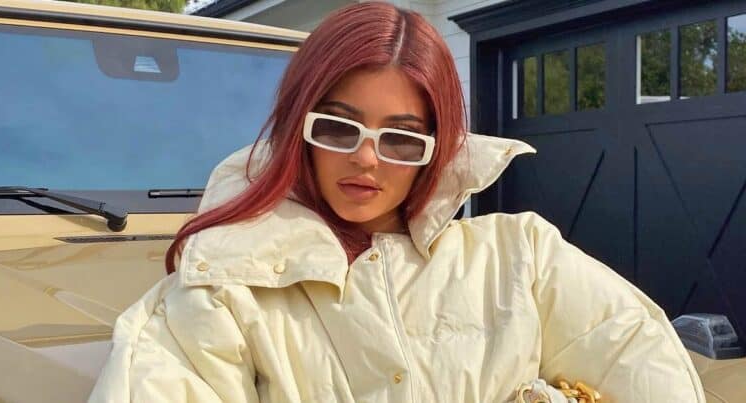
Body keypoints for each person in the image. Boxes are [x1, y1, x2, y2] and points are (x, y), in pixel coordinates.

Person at [89, 2, 705, 402]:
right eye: (338, 128)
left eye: (402, 139)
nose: (366, 158)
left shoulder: (521, 258)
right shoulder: (218, 290)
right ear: (299, 129)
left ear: (435, 150)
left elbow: (645, 366)